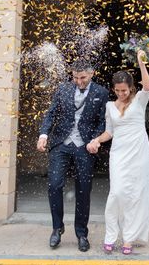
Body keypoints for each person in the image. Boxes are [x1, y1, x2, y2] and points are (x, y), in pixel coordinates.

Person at [37, 61, 108, 252]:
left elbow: (103, 121)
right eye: (75, 77)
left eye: (83, 78)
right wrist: (44, 134)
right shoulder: (63, 89)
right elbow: (51, 114)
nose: (79, 81)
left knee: (83, 190)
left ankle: (81, 233)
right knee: (54, 184)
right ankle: (57, 228)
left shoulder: (101, 92)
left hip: (85, 146)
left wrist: (96, 140)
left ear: (92, 73)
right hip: (61, 143)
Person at [87, 51, 149, 254]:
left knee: (134, 195)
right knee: (117, 193)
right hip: (119, 153)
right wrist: (96, 140)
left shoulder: (140, 99)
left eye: (124, 90)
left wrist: (141, 62)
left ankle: (129, 239)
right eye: (117, 90)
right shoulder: (109, 106)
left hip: (139, 153)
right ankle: (110, 235)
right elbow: (110, 131)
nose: (121, 94)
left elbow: (147, 85)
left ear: (130, 88)